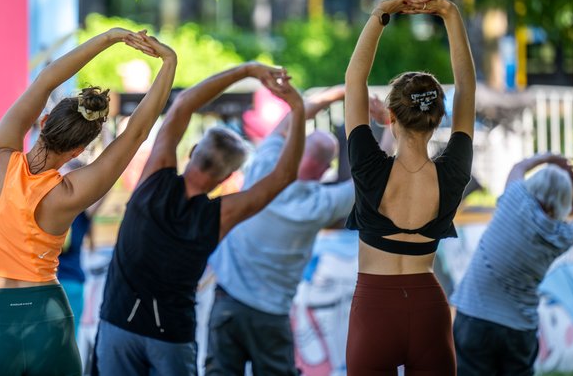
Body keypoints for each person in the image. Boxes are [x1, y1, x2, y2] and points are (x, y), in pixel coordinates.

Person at [0, 28, 176, 376]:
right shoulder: (71, 193)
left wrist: (110, 38)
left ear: (42, 121)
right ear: (80, 151)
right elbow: (136, 132)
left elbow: (45, 81)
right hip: (48, 317)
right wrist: (169, 61)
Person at [95, 60, 306, 376]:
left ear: (192, 151)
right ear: (228, 176)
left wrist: (246, 71)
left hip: (117, 322)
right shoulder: (221, 215)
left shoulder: (154, 178)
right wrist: (298, 109)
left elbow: (183, 104)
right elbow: (284, 176)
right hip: (171, 335)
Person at [343, 0, 476, 375]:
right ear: (437, 120)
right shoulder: (453, 172)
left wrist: (381, 14)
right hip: (429, 309)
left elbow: (355, 78)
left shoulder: (368, 166)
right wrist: (449, 13)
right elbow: (466, 85)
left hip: (374, 309)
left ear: (390, 118)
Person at [205, 85, 360, 375]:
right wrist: (392, 126)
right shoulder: (320, 205)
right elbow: (374, 176)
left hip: (228, 301)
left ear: (297, 148)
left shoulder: (264, 167)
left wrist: (340, 93)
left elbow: (291, 121)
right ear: (326, 167)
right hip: (271, 315)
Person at [451, 154, 573, 376]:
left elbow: (520, 166)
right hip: (520, 329)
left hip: (476, 317)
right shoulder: (560, 237)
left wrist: (552, 158)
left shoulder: (514, 200)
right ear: (563, 203)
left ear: (533, 186)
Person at [57, 158, 108, 335]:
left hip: (66, 283)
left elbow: (106, 179)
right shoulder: (53, 206)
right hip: (58, 284)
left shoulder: (80, 210)